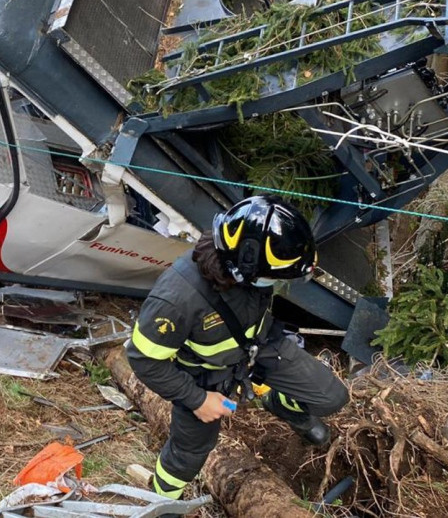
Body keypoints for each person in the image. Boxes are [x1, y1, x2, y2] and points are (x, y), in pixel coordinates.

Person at [126, 195, 348, 500]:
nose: (273, 284)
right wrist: (198, 399)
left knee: (331, 397)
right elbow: (143, 360)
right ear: (244, 267)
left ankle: (279, 402)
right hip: (203, 375)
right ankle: (161, 500)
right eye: (272, 277)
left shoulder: (248, 266)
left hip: (259, 347)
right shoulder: (177, 299)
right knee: (189, 454)